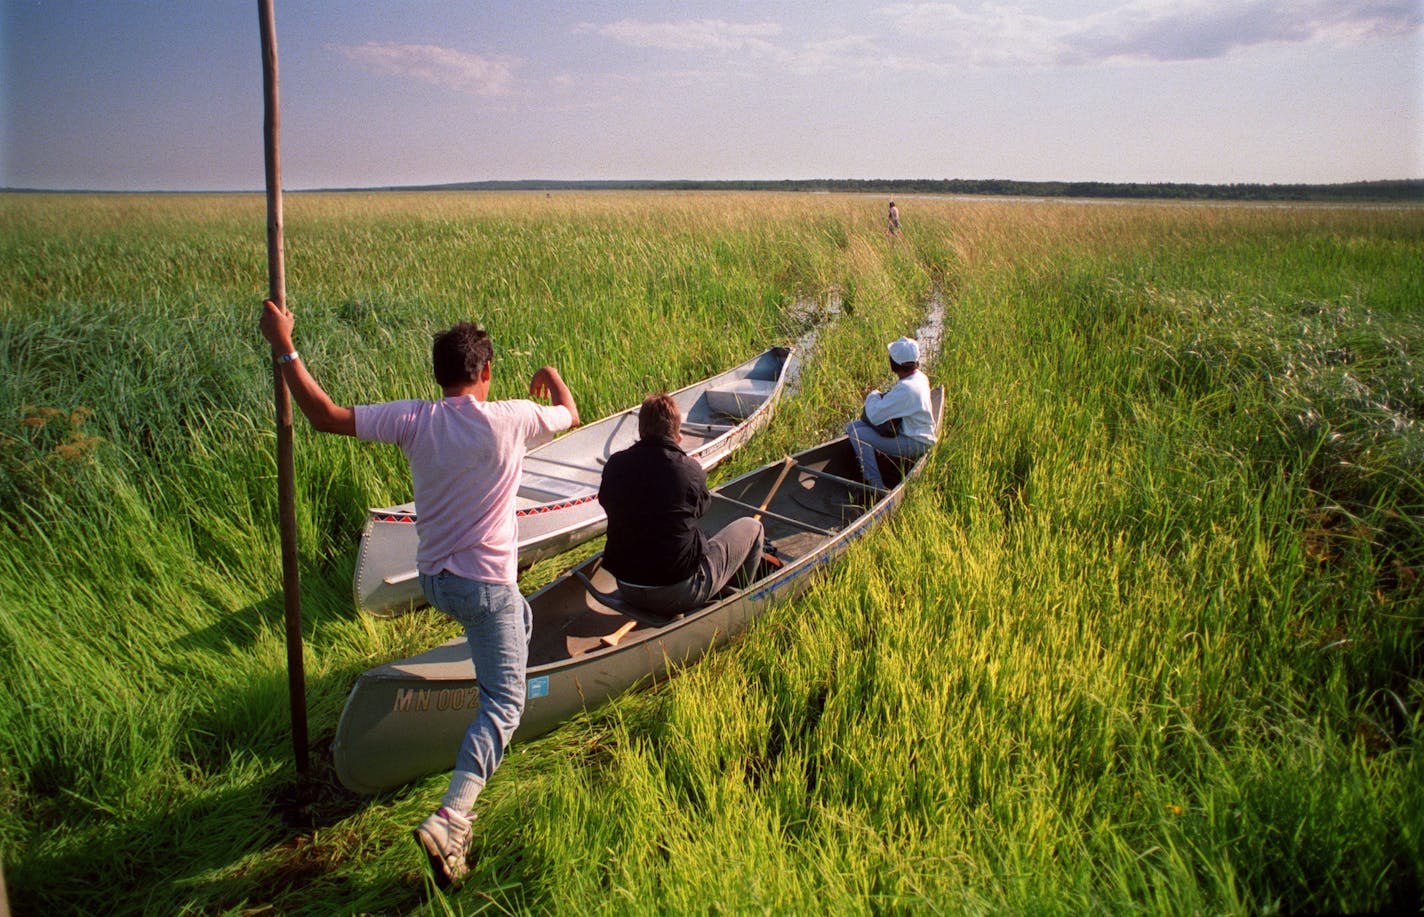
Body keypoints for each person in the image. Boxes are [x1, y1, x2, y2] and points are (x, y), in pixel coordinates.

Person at [257, 299, 579, 888]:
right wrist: (550, 376)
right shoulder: (513, 416)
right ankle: (453, 818)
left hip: (436, 583)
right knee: (506, 703)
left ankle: (493, 675)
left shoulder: (416, 419)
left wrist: (285, 345)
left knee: (520, 620)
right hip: (486, 591)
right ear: (485, 374)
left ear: (440, 375)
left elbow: (324, 414)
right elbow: (571, 413)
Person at [597, 393, 763, 617]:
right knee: (753, 527)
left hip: (626, 586)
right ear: (677, 433)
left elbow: (607, 501)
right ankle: (739, 607)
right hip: (678, 591)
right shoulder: (689, 470)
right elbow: (703, 509)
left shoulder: (614, 465)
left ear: (641, 430)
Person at [845, 336, 935, 490]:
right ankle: (877, 461)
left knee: (858, 435)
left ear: (894, 364)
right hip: (914, 433)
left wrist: (873, 394)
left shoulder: (907, 388)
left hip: (916, 442)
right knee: (853, 426)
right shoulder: (919, 377)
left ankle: (875, 486)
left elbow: (874, 415)